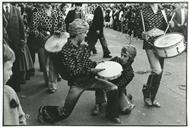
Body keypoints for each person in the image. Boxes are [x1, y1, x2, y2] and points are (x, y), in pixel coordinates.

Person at [37, 19, 118, 123]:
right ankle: (44, 110)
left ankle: (112, 114)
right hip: (77, 84)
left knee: (113, 88)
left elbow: (87, 62)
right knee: (64, 113)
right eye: (84, 33)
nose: (86, 36)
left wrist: (98, 64)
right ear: (77, 33)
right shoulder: (65, 50)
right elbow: (73, 71)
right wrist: (91, 70)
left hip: (90, 80)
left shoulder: (83, 46)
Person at [135, 3, 172, 107]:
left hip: (161, 44)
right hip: (150, 45)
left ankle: (152, 96)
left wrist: (172, 25)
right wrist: (142, 34)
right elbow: (136, 28)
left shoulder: (164, 11)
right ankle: (147, 94)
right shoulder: (142, 11)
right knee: (157, 70)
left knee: (158, 73)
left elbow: (167, 29)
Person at [92, 45, 136, 123]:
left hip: (117, 89)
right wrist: (103, 64)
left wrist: (110, 88)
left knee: (125, 110)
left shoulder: (130, 73)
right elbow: (106, 66)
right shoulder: (116, 59)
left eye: (125, 56)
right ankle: (98, 104)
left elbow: (119, 86)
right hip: (107, 82)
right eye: (121, 54)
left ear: (130, 59)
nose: (122, 57)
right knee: (99, 80)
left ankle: (126, 98)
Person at [30, 3, 66, 93]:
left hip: (55, 41)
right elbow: (33, 29)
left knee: (53, 64)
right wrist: (43, 36)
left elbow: (63, 25)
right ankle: (48, 81)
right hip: (42, 42)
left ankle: (52, 85)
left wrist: (59, 31)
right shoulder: (37, 13)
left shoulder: (57, 12)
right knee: (44, 64)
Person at [3, 3, 34, 92]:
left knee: (16, 66)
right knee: (5, 66)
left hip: (15, 45)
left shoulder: (15, 10)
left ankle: (15, 86)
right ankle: (5, 87)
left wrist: (22, 43)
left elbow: (21, 27)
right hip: (4, 45)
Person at [3, 43, 27, 125]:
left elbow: (20, 115)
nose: (12, 73)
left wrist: (22, 122)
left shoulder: (9, 92)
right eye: (9, 69)